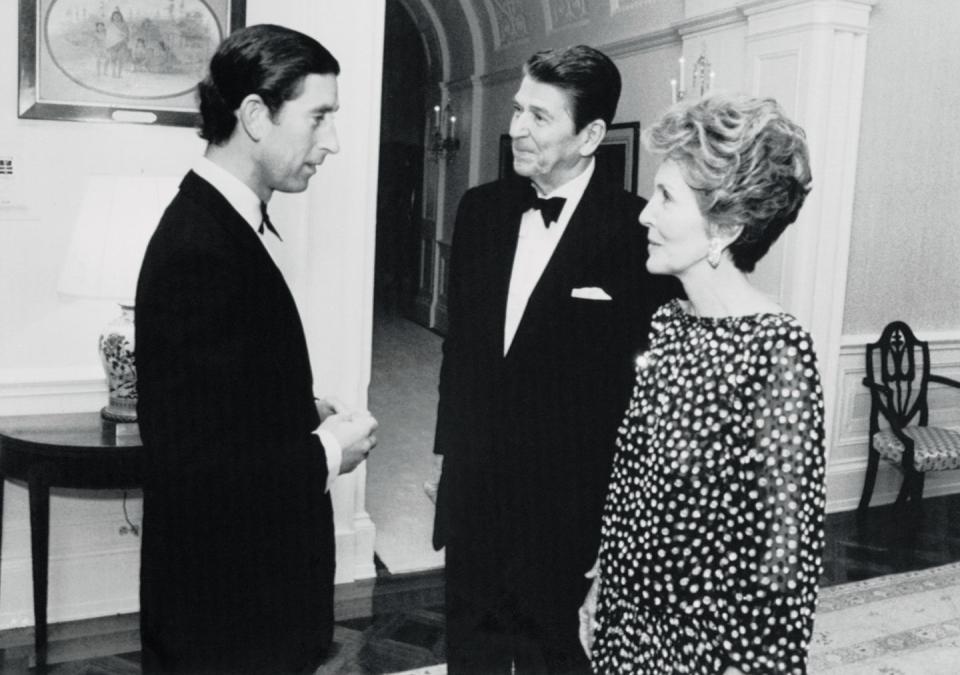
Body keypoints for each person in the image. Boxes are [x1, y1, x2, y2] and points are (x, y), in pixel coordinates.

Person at [135, 24, 378, 673]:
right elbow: (202, 473)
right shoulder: (200, 251)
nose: (332, 142)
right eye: (319, 116)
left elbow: (221, 407)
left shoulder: (219, 226)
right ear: (254, 116)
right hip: (228, 623)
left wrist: (297, 409)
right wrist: (331, 448)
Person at [430, 45, 679, 674]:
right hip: (475, 504)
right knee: (472, 657)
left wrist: (615, 528)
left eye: (540, 117)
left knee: (555, 660)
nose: (515, 128)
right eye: (517, 110)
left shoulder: (637, 234)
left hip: (567, 517)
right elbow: (460, 354)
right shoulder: (480, 211)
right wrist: (450, 464)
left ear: (591, 134)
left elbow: (642, 399)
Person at [579, 93, 826, 674]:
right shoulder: (670, 323)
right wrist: (602, 589)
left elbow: (784, 567)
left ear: (727, 224)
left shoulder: (775, 352)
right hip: (631, 626)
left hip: (711, 650)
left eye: (666, 197)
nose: (645, 213)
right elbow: (631, 487)